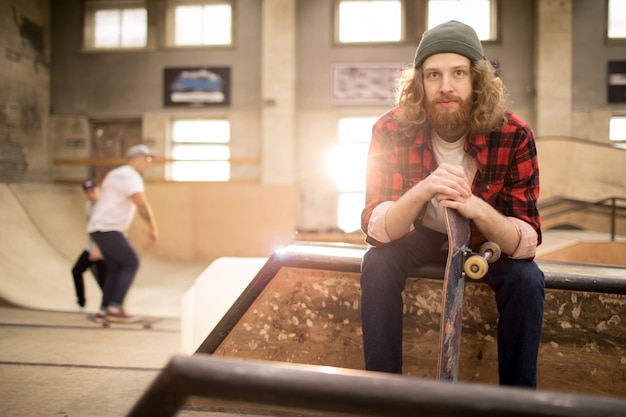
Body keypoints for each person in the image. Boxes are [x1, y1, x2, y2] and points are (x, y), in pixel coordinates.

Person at [360, 20, 545, 388]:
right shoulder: (391, 129)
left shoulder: (514, 134)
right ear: (419, 84)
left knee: (527, 280)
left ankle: (519, 401)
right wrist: (423, 189)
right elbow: (377, 229)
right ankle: (381, 395)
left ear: (476, 81)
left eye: (458, 73)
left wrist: (475, 207)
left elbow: (525, 241)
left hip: (482, 237)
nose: (445, 86)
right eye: (433, 75)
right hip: (421, 233)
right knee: (377, 264)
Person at [87, 144, 159, 322]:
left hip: (98, 229)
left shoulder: (115, 174)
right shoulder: (131, 176)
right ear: (134, 159)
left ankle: (105, 309)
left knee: (115, 267)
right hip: (108, 228)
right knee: (131, 262)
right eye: (146, 159)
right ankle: (115, 306)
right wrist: (153, 227)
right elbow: (141, 203)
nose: (148, 164)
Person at [71, 179, 107, 310]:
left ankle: (108, 307)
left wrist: (98, 249)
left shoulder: (104, 207)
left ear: (98, 190)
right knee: (76, 270)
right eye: (87, 192)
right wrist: (92, 247)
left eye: (93, 191)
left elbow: (106, 231)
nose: (90, 194)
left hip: (103, 249)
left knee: (103, 282)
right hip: (91, 246)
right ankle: (81, 303)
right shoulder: (87, 206)